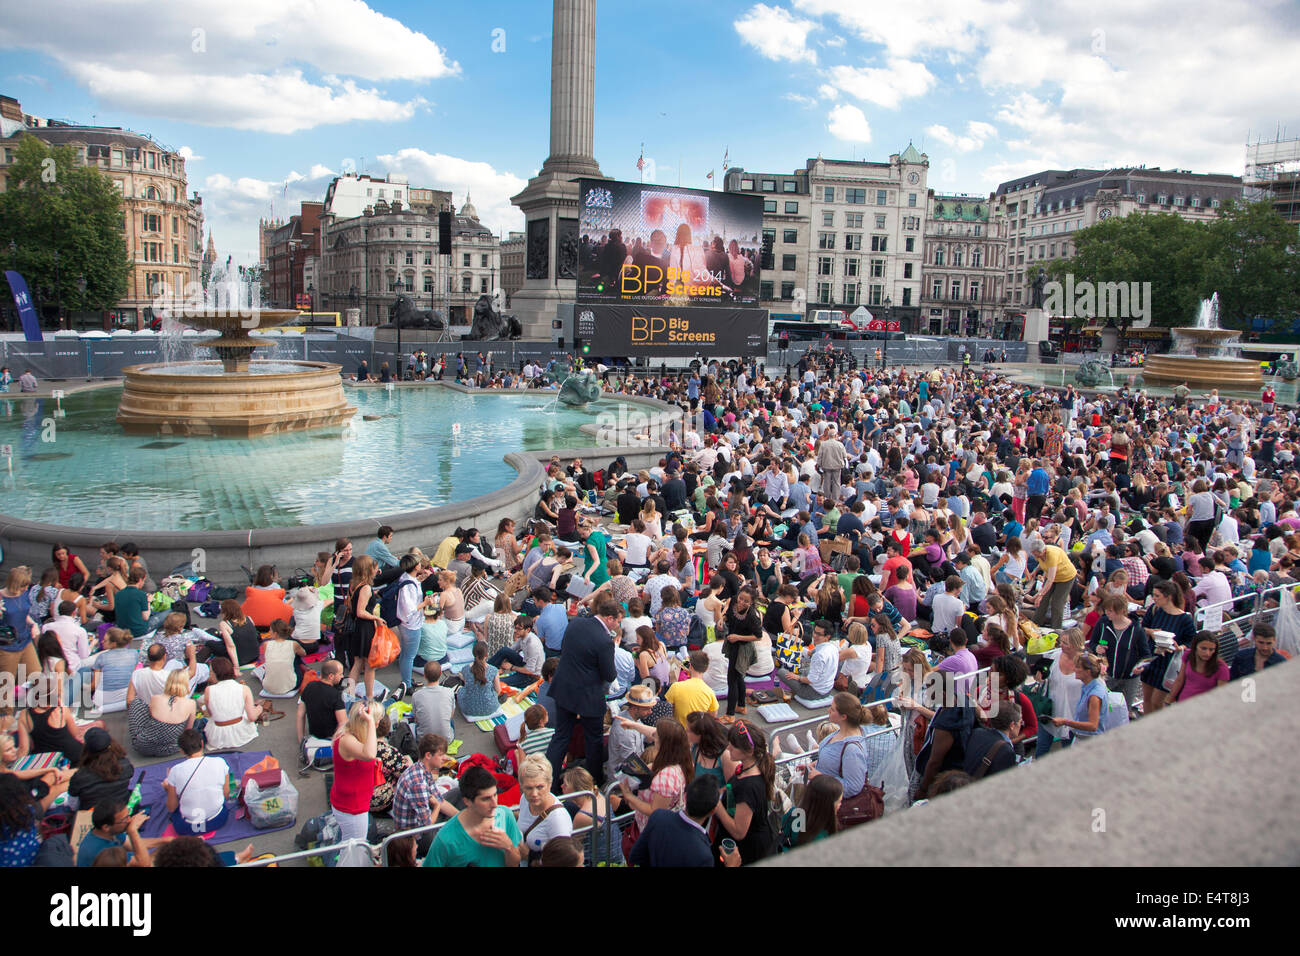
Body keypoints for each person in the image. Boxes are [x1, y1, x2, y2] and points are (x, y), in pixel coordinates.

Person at [544, 595, 620, 786]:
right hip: (588, 695)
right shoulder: (605, 642)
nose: (617, 626)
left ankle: (549, 781)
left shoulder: (576, 624)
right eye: (617, 622)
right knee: (593, 739)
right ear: (609, 618)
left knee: (561, 736)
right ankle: (594, 780)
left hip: (565, 688)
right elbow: (610, 675)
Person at [423, 764, 523, 868]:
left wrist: (509, 847)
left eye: (495, 795)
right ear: (467, 801)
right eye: (486, 799)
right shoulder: (445, 840)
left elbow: (515, 863)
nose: (494, 804)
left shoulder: (505, 815)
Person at [629, 774, 739, 868]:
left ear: (687, 796)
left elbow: (635, 856)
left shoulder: (659, 817)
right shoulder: (703, 856)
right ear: (712, 811)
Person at [711, 720, 777, 864]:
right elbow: (733, 788)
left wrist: (717, 805)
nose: (728, 748)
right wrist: (722, 790)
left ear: (749, 751)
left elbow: (739, 832)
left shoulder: (749, 786)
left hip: (748, 850)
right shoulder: (748, 767)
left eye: (733, 746)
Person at [619, 718, 694, 833]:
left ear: (663, 743)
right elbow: (655, 732)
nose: (653, 737)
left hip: (653, 830)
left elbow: (655, 810)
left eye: (656, 736)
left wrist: (629, 796)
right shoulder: (683, 755)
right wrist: (633, 725)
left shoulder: (666, 777)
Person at [391, 733, 459, 858]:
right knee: (454, 832)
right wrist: (437, 807)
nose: (445, 758)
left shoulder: (421, 769)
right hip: (416, 838)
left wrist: (461, 817)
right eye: (440, 755)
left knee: (458, 793)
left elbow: (439, 799)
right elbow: (427, 825)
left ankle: (462, 820)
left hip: (421, 820)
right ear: (428, 755)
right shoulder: (418, 783)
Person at [163, 729, 233, 835]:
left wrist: (168, 788)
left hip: (188, 827)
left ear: (181, 750)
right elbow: (226, 795)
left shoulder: (175, 771)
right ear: (202, 743)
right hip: (218, 820)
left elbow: (171, 807)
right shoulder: (220, 762)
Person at [331, 701, 382, 844]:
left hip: (352, 802)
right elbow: (370, 754)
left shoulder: (351, 734)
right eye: (377, 720)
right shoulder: (347, 740)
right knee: (353, 850)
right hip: (352, 807)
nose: (378, 723)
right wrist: (371, 722)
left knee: (350, 846)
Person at [516, 753, 573, 864]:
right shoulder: (524, 799)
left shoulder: (558, 819)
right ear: (521, 786)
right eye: (528, 788)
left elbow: (563, 861)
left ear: (549, 784)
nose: (534, 794)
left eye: (540, 787)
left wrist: (530, 856)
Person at [127, 668, 195, 757]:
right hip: (171, 748)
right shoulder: (191, 704)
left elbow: (149, 718)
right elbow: (188, 730)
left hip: (143, 747)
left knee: (136, 702)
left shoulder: (156, 698)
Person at [343, 555, 384, 704]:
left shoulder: (353, 584)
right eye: (374, 567)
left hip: (356, 628)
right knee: (370, 665)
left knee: (357, 663)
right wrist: (376, 618)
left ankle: (349, 694)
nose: (377, 570)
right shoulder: (366, 587)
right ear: (368, 569)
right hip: (365, 629)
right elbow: (361, 611)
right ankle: (370, 697)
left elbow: (353, 608)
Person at [67, 727, 134, 812]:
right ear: (111, 744)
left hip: (93, 817)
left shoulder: (79, 777)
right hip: (121, 811)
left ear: (86, 749)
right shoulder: (126, 765)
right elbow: (128, 783)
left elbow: (73, 806)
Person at [721, 586, 763, 720]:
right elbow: (728, 615)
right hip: (733, 643)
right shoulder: (734, 600)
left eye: (746, 601)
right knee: (738, 676)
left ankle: (730, 714)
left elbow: (758, 636)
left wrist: (738, 637)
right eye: (741, 598)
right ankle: (741, 705)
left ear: (751, 603)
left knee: (732, 678)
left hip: (742, 647)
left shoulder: (751, 616)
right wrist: (722, 619)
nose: (741, 602)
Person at [202, 657, 262, 751]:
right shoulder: (244, 688)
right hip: (241, 733)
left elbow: (210, 714)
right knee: (249, 711)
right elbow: (252, 717)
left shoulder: (208, 690)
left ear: (215, 673)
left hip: (217, 736)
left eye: (210, 672)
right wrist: (259, 709)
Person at [775, 619, 839, 703]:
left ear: (827, 637)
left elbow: (811, 680)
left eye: (819, 634)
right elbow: (809, 653)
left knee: (781, 672)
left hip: (813, 692)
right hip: (827, 689)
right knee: (803, 668)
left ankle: (791, 692)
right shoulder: (833, 647)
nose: (814, 636)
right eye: (814, 632)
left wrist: (797, 677)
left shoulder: (820, 655)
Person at [1048, 653, 1108, 740]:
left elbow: (1093, 726)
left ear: (1088, 672)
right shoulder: (1087, 685)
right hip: (1082, 738)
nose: (1074, 669)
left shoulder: (1094, 696)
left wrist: (1065, 722)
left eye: (1077, 667)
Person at [1166, 632, 1231, 703]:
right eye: (1203, 648)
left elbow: (1221, 696)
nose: (1207, 653)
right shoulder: (1188, 655)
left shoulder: (1221, 667)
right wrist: (1168, 700)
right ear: (1195, 647)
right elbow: (1179, 680)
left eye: (1211, 649)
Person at [961, 702, 1022, 779]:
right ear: (1012, 725)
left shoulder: (977, 733)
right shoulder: (1006, 751)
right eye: (1020, 722)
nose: (1021, 725)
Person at [783, 774, 842, 849]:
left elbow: (788, 834)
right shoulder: (822, 836)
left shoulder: (794, 813)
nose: (840, 805)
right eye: (839, 801)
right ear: (827, 806)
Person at [665, 650, 719, 728]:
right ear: (706, 669)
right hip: (698, 732)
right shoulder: (709, 692)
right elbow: (713, 714)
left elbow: (668, 709)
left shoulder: (675, 687)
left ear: (690, 666)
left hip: (679, 732)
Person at [457, 642, 506, 719]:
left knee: (460, 690)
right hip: (490, 708)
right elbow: (498, 690)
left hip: (469, 708)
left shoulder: (465, 669)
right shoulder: (493, 670)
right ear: (486, 655)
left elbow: (467, 683)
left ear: (473, 653)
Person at [410, 661, 456, 742]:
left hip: (423, 741)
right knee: (450, 721)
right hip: (446, 740)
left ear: (424, 675)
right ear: (441, 673)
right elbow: (451, 715)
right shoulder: (449, 692)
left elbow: (416, 718)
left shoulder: (416, 695)